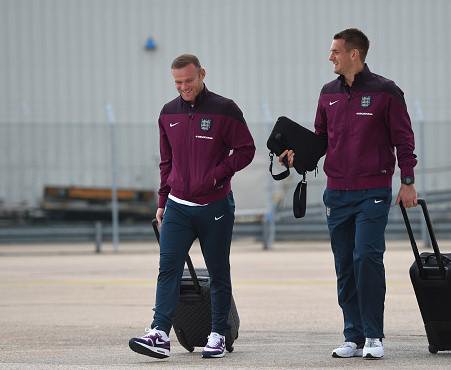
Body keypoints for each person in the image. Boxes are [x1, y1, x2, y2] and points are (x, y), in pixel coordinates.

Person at [280, 28, 418, 359]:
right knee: (344, 264)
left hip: (373, 190)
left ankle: (373, 336)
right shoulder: (328, 93)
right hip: (336, 193)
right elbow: (321, 139)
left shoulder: (386, 92)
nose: (330, 57)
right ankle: (352, 336)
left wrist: (408, 180)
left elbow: (404, 139)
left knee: (366, 258)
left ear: (353, 54)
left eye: (335, 51)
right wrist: (298, 155)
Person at [129, 54, 255, 359]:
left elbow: (246, 149)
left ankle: (218, 335)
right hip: (178, 207)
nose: (183, 87)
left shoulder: (225, 109)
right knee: (167, 269)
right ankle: (159, 333)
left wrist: (216, 175)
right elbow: (166, 162)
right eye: (178, 82)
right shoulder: (168, 113)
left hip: (215, 206)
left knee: (218, 270)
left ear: (202, 74)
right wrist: (162, 201)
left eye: (188, 80)